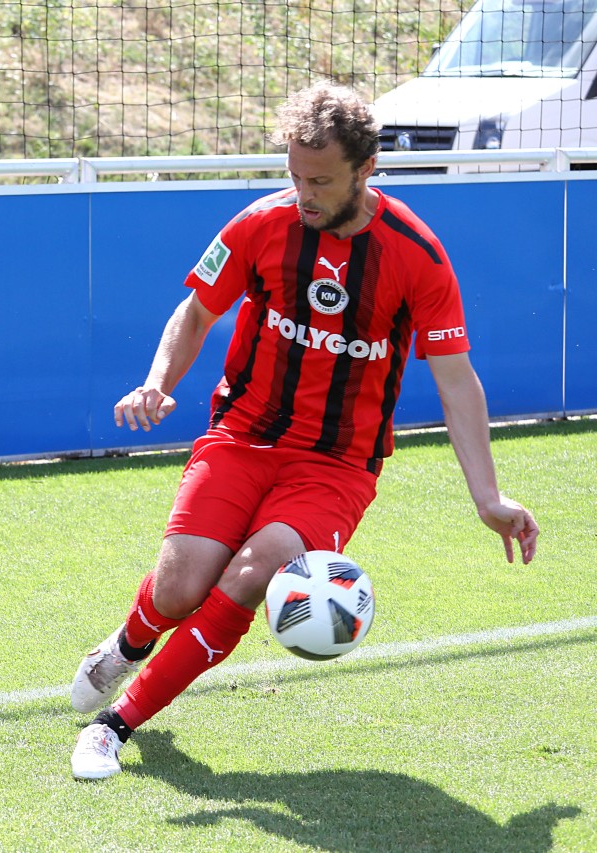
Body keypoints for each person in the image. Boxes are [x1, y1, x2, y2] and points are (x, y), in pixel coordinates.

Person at [68, 81, 540, 780]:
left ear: (366, 169)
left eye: (319, 181)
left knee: (252, 575)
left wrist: (487, 496)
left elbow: (455, 378)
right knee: (177, 589)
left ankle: (114, 725)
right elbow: (196, 311)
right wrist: (158, 382)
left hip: (338, 465)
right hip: (243, 436)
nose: (304, 194)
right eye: (294, 175)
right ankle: (128, 643)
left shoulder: (417, 255)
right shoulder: (262, 223)